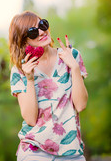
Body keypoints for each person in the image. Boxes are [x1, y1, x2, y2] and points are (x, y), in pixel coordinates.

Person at [9, 11, 88, 161]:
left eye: (42, 25)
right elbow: (31, 119)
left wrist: (74, 67)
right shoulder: (20, 70)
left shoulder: (71, 56)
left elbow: (81, 105)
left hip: (71, 151)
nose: (41, 32)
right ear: (24, 41)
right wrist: (30, 79)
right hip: (34, 151)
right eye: (32, 32)